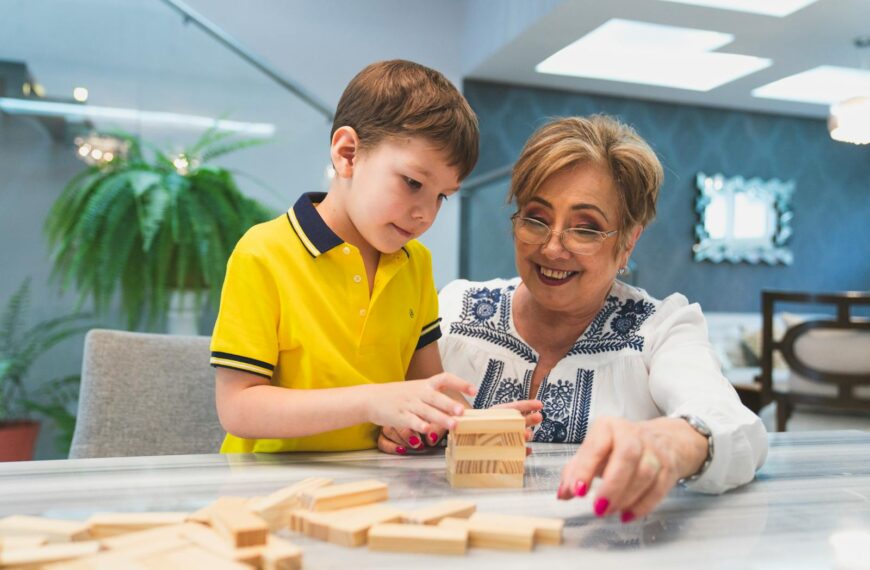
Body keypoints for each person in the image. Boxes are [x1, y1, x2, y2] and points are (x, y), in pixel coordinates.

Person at [436, 115, 768, 521]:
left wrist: (672, 443)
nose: (553, 247)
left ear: (628, 242)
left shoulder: (660, 328)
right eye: (537, 218)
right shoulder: (455, 311)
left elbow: (735, 427)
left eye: (586, 228)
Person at [210, 60, 482, 454]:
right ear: (348, 154)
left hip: (373, 488)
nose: (426, 212)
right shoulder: (262, 253)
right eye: (413, 183)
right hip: (264, 492)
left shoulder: (416, 263)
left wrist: (468, 422)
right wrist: (373, 401)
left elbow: (424, 388)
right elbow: (237, 408)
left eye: (442, 196)